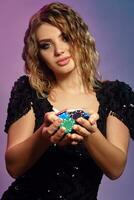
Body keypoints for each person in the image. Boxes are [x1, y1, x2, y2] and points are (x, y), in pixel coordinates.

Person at [1, 2, 134, 200]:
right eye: (47, 45)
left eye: (65, 37)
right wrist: (43, 136)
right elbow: (13, 167)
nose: (59, 51)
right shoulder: (30, 91)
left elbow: (115, 168)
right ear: (39, 55)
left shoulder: (115, 94)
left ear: (80, 36)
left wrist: (90, 134)